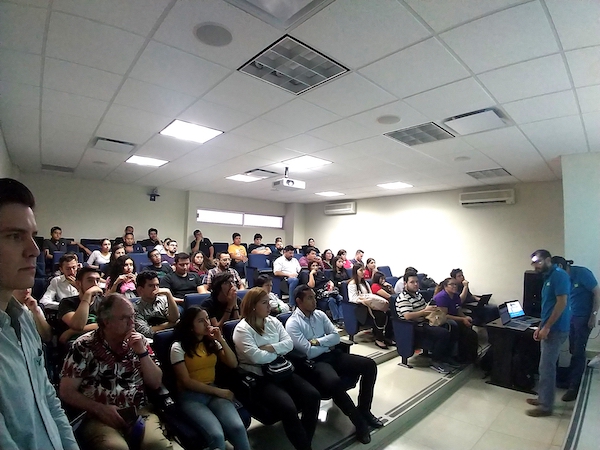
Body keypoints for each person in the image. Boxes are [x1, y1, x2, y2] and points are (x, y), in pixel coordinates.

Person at [0, 178, 78, 449]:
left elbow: (49, 401)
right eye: (14, 236)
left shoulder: (22, 318)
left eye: (32, 235)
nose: (34, 250)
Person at [60, 293, 172, 450]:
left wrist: (142, 353)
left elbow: (155, 383)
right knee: (116, 448)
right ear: (107, 322)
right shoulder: (83, 346)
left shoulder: (140, 340)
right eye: (124, 318)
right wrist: (99, 409)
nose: (132, 322)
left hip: (138, 411)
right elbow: (66, 391)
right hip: (98, 416)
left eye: (133, 316)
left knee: (156, 445)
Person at [286, 285, 383, 445]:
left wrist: (318, 342)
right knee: (333, 382)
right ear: (299, 301)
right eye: (309, 298)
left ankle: (364, 410)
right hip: (315, 363)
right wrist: (326, 344)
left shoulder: (320, 315)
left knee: (369, 365)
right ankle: (359, 423)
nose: (314, 300)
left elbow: (335, 338)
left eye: (314, 297)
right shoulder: (293, 323)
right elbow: (308, 352)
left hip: (333, 355)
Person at [233, 288, 320, 450]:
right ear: (253, 306)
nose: (269, 306)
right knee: (288, 407)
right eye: (264, 303)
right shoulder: (242, 329)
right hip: (259, 377)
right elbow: (256, 358)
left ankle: (305, 442)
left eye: (269, 302)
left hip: (280, 370)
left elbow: (289, 344)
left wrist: (270, 348)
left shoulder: (272, 321)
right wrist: (277, 351)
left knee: (313, 396)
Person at [170, 306, 250, 450]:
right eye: (201, 321)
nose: (207, 323)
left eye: (207, 318)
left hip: (212, 390)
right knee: (216, 435)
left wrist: (221, 339)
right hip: (191, 397)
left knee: (237, 427)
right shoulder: (178, 347)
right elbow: (186, 382)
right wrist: (219, 392)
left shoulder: (211, 342)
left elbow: (233, 363)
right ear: (190, 327)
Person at [525, 250, 571, 417]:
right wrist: (540, 326)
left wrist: (548, 327)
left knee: (547, 367)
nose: (535, 265)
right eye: (533, 262)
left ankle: (545, 406)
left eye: (538, 261)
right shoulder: (548, 277)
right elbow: (548, 306)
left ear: (548, 260)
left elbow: (561, 303)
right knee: (545, 366)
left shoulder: (559, 275)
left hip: (557, 328)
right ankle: (543, 397)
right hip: (549, 326)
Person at [551, 256, 600, 402]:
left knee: (578, 351)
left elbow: (597, 292)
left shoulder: (582, 273)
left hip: (584, 318)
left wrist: (594, 315)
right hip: (571, 317)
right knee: (573, 349)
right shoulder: (562, 278)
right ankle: (573, 378)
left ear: (560, 265)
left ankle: (574, 387)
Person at [395, 271, 458, 374]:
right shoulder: (403, 298)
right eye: (412, 282)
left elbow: (424, 308)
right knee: (443, 333)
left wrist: (430, 308)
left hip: (426, 321)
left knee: (452, 326)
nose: (415, 284)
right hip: (414, 326)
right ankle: (436, 361)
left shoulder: (417, 295)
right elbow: (407, 316)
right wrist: (424, 311)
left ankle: (446, 356)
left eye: (417, 282)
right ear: (405, 284)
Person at [347, 263, 394, 349]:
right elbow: (353, 299)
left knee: (389, 312)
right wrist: (363, 300)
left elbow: (371, 295)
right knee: (380, 314)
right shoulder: (352, 283)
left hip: (369, 305)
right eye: (361, 270)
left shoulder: (365, 283)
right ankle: (378, 339)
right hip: (361, 307)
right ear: (355, 271)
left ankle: (386, 336)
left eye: (363, 270)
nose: (363, 272)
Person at [432, 278, 478, 363]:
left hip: (454, 317)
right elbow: (444, 315)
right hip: (443, 320)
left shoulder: (456, 295)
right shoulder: (442, 297)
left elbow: (458, 310)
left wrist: (465, 317)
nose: (454, 286)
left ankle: (470, 357)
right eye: (452, 284)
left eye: (455, 284)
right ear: (446, 286)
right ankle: (456, 355)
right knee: (464, 331)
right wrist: (462, 319)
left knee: (471, 332)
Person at [57, 267, 103, 345]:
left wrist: (71, 332)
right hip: (75, 345)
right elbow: (77, 325)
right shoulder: (67, 302)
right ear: (78, 283)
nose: (95, 284)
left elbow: (108, 325)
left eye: (97, 281)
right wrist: (88, 295)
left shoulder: (103, 302)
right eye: (90, 280)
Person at [134, 271, 180, 338]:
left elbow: (174, 318)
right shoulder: (135, 308)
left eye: (157, 285)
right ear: (140, 290)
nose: (156, 289)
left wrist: (169, 294)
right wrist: (171, 324)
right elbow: (146, 332)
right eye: (151, 286)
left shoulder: (164, 300)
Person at [300, 260, 344, 326]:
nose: (315, 267)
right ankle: (336, 319)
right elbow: (311, 286)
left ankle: (341, 318)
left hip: (328, 292)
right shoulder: (307, 275)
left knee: (340, 298)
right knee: (331, 300)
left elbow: (328, 281)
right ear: (310, 267)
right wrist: (311, 274)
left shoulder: (320, 273)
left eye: (316, 266)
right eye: (313, 266)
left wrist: (331, 284)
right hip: (319, 294)